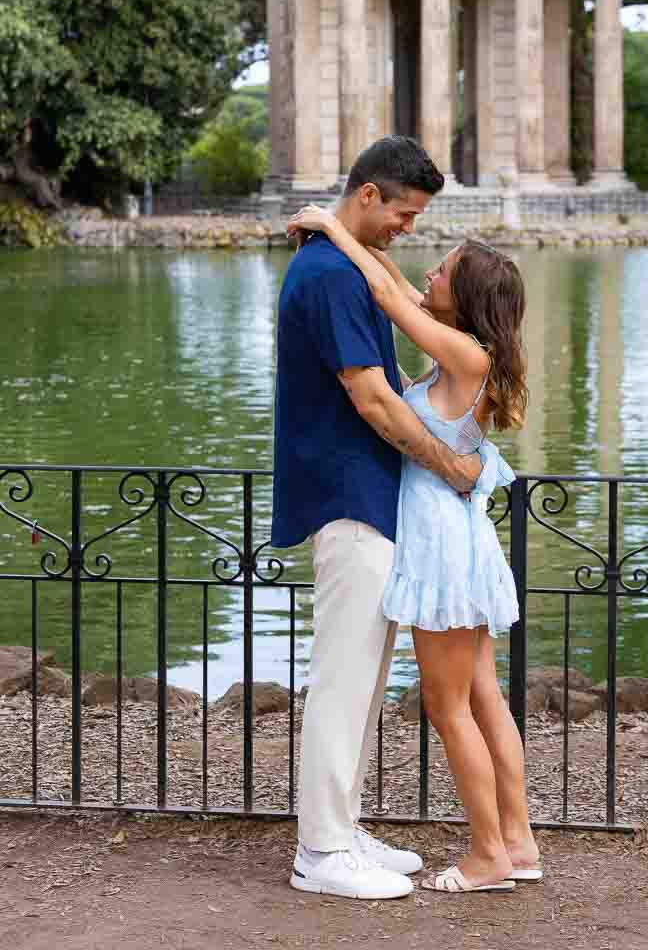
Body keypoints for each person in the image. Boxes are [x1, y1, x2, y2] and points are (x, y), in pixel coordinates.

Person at [286, 205, 544, 895]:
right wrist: (351, 233)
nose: (429, 271)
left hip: (442, 545)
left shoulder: (465, 355)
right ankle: (517, 842)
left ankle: (489, 854)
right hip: (455, 537)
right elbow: (397, 283)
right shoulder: (459, 351)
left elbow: (385, 295)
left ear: (468, 298)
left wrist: (334, 230)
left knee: (448, 705)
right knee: (486, 699)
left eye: (446, 270)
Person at [271, 136, 484, 901]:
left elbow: (391, 290)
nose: (407, 226)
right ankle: (321, 852)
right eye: (401, 211)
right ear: (367, 195)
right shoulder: (328, 275)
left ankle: (343, 827)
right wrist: (451, 464)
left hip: (367, 494)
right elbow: (371, 397)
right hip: (347, 494)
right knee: (343, 678)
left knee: (363, 679)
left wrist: (332, 228)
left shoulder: (338, 260)